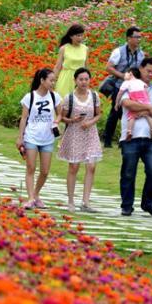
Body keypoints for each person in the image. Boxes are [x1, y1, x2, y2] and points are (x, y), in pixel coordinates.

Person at [117, 57, 152, 217]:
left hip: (150, 139)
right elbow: (128, 104)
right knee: (129, 172)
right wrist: (150, 107)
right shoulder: (130, 85)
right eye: (148, 71)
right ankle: (127, 205)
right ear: (141, 69)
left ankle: (148, 202)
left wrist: (146, 110)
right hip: (130, 137)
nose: (150, 75)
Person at [57, 68, 102, 212]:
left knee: (91, 166)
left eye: (86, 79)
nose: (84, 82)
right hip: (74, 134)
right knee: (74, 167)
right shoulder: (69, 98)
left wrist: (90, 122)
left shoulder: (94, 96)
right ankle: (71, 201)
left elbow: (98, 114)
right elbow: (62, 117)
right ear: (75, 81)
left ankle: (86, 201)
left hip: (90, 134)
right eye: (81, 79)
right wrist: (72, 120)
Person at [17, 68, 61, 210]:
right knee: (31, 167)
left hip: (48, 138)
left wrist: (56, 122)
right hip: (32, 136)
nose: (53, 83)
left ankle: (36, 194)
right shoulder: (30, 97)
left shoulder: (55, 97)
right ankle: (30, 198)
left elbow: (60, 114)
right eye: (51, 80)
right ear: (42, 80)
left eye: (54, 80)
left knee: (45, 171)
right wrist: (20, 137)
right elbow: (24, 118)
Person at [101, 27, 145, 147]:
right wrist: (122, 76)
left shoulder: (141, 54)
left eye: (140, 37)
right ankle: (108, 139)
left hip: (133, 89)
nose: (138, 40)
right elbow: (108, 67)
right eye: (136, 37)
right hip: (119, 86)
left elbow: (142, 70)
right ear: (129, 38)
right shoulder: (119, 52)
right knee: (115, 113)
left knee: (129, 113)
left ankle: (124, 139)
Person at [118, 68, 152, 141]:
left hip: (135, 100)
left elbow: (120, 93)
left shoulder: (126, 82)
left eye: (125, 73)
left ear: (130, 74)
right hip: (144, 99)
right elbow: (145, 90)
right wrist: (147, 102)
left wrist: (116, 103)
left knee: (131, 117)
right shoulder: (140, 81)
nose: (124, 75)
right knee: (148, 115)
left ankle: (129, 131)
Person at [53, 24, 87, 98]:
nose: (80, 38)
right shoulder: (64, 48)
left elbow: (86, 67)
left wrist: (87, 81)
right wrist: (52, 80)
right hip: (66, 78)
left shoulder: (85, 48)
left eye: (81, 35)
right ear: (71, 36)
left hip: (80, 79)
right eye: (78, 35)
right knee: (63, 102)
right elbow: (58, 67)